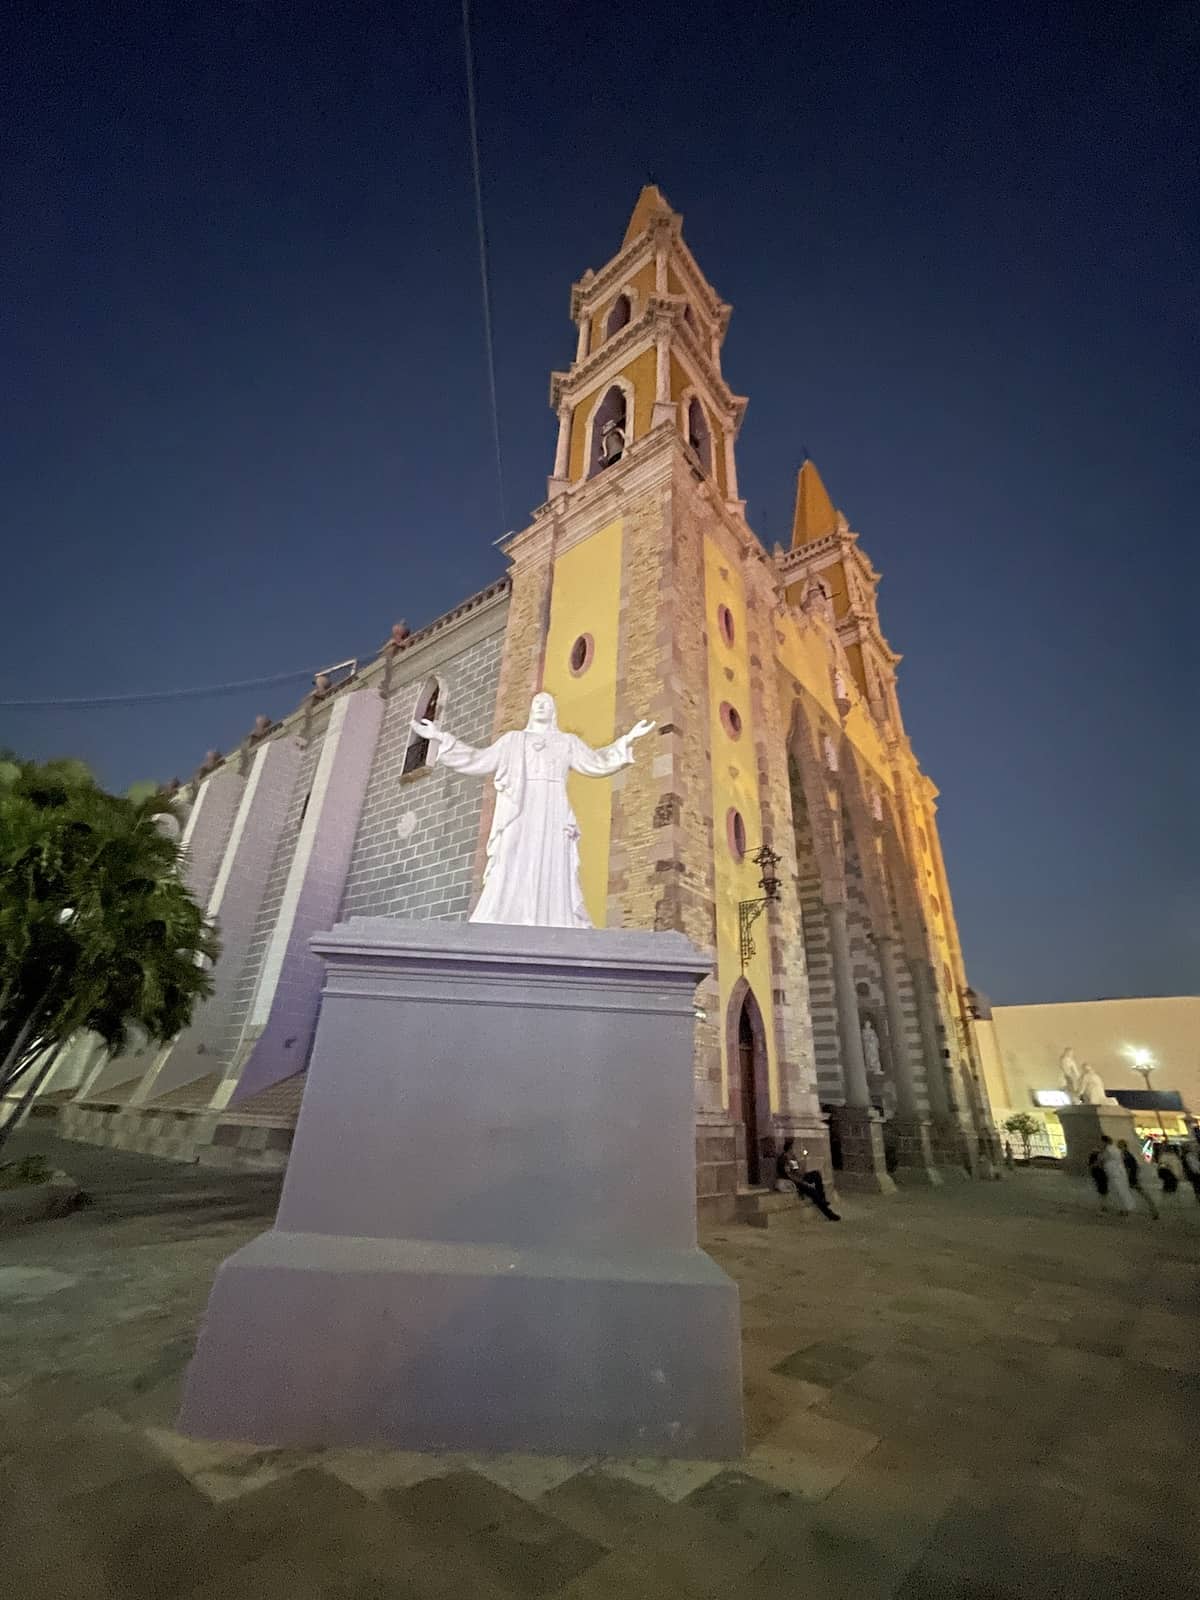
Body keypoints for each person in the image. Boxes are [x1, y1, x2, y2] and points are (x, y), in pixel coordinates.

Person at [775, 1139, 841, 1222]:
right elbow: (789, 1175)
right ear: (789, 1148)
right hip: (793, 1181)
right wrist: (802, 1182)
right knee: (812, 1192)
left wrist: (803, 1161)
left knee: (816, 1174)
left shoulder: (792, 1158)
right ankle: (829, 1213)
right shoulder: (784, 1159)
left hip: (799, 1177)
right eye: (792, 1148)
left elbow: (797, 1171)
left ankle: (822, 1198)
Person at [1118, 1139, 1159, 1219]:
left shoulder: (1126, 1155)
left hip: (1131, 1178)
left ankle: (1153, 1210)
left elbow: (1129, 1167)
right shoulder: (1127, 1154)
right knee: (1139, 1193)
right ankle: (1153, 1210)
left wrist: (1128, 1176)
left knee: (1139, 1193)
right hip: (1132, 1177)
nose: (1118, 1147)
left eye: (1119, 1146)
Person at [1098, 1136, 1134, 1214]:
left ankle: (1125, 1208)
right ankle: (1124, 1207)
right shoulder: (1113, 1149)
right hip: (1116, 1173)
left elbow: (1102, 1159)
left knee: (1120, 1190)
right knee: (1121, 1190)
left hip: (1116, 1173)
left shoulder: (1109, 1150)